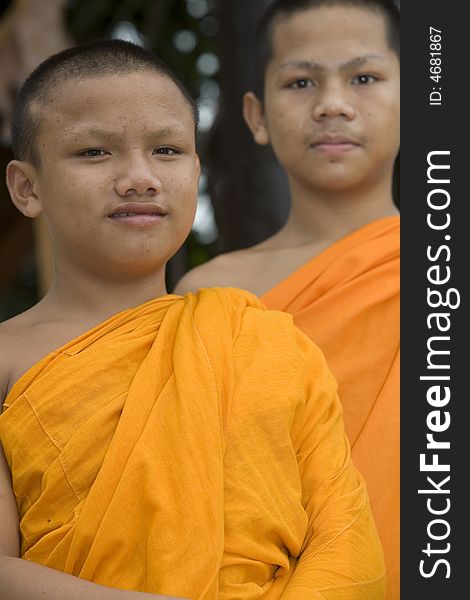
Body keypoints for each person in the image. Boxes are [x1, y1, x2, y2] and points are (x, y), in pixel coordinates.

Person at [0, 40, 385, 600]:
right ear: (27, 187)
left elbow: (345, 540)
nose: (139, 177)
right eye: (93, 153)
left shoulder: (266, 342)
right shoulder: (7, 359)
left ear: (196, 169)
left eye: (167, 150)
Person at [175, 1, 400, 598]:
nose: (332, 103)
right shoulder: (212, 293)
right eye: (301, 81)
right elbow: (198, 487)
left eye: (364, 78)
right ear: (257, 116)